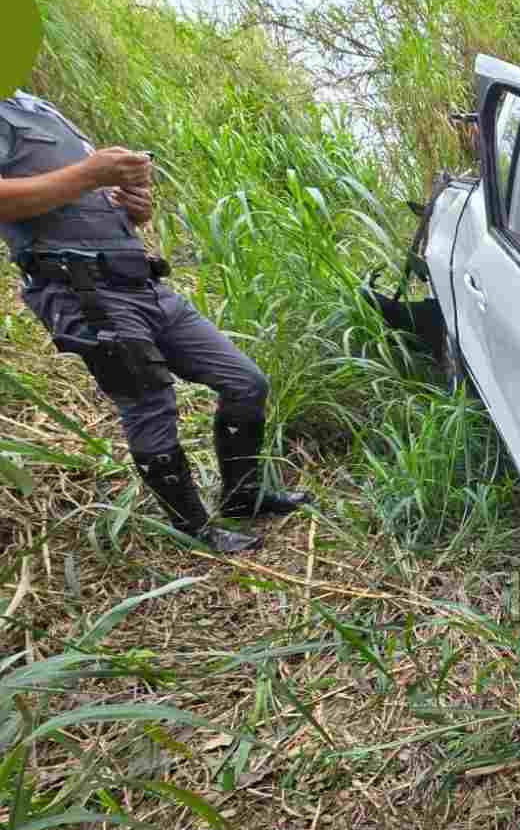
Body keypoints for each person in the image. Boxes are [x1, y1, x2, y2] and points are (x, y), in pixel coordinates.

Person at [1, 89, 309, 552]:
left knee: (246, 382)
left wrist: (126, 207)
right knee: (150, 404)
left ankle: (244, 496)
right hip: (83, 292)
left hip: (141, 283)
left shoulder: (32, 105)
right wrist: (89, 173)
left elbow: (77, 199)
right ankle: (194, 530)